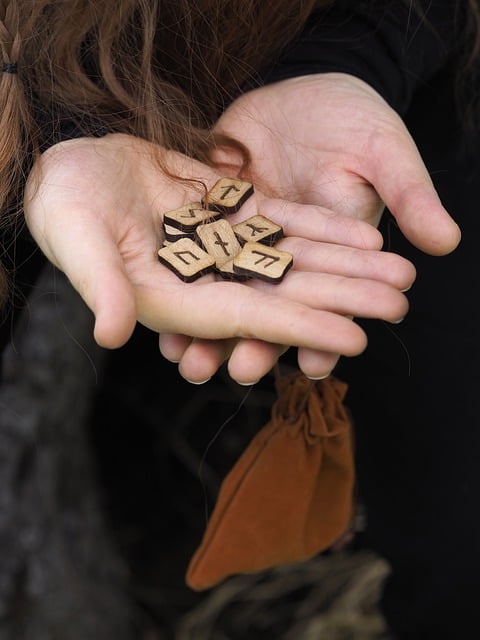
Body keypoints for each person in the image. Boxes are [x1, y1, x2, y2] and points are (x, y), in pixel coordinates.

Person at [0, 0, 473, 637]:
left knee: (455, 518)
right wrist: (54, 134)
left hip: (374, 83)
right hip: (34, 93)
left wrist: (346, 57)